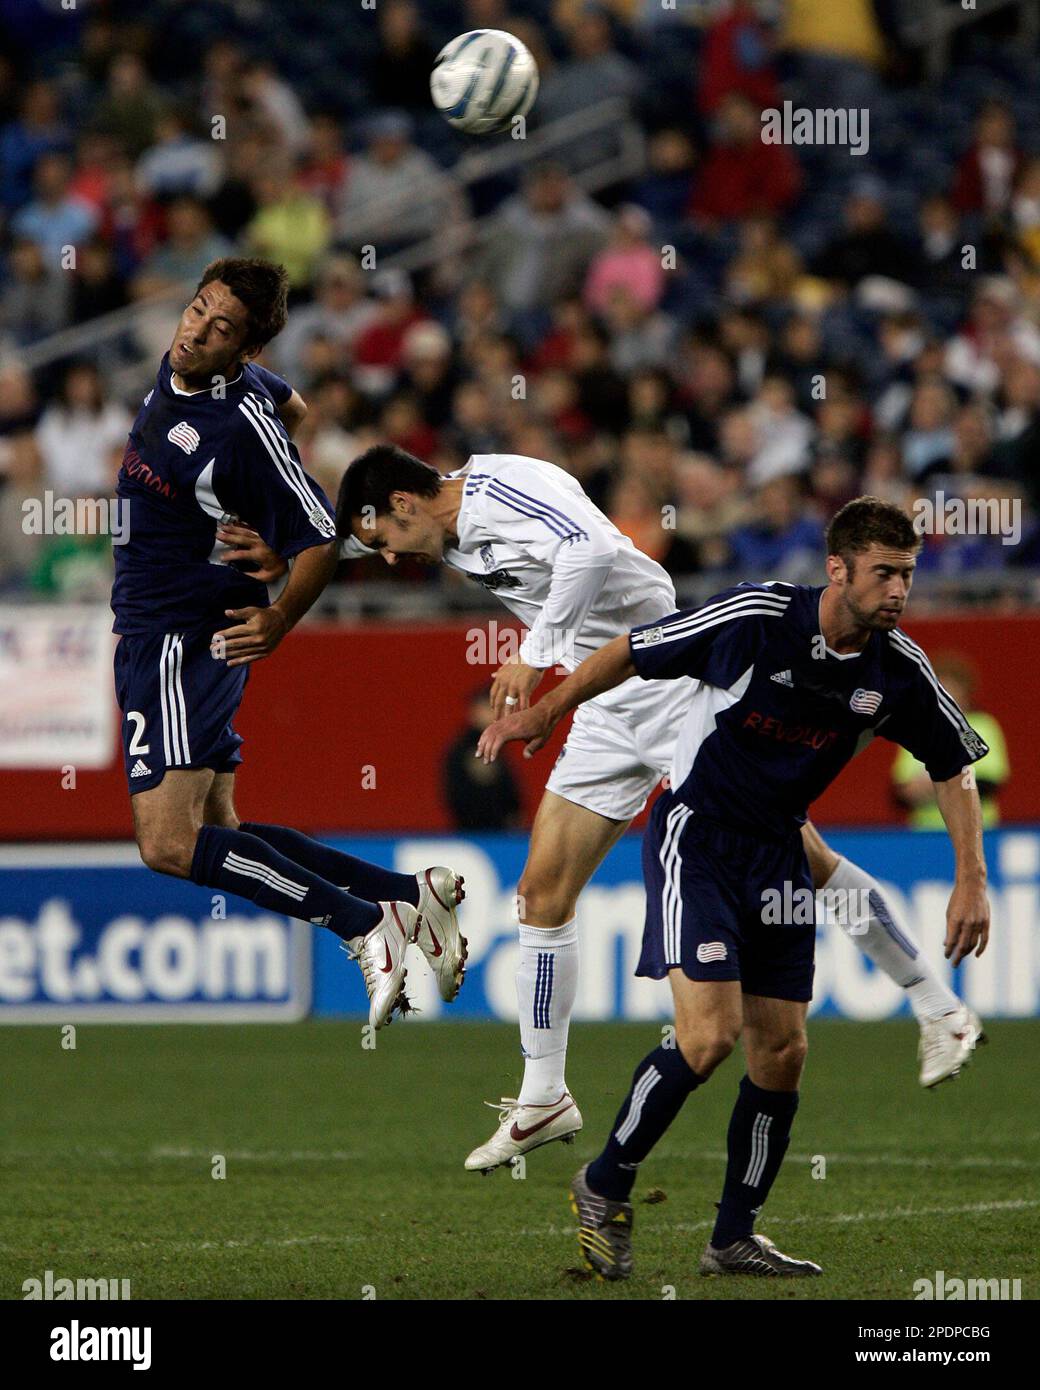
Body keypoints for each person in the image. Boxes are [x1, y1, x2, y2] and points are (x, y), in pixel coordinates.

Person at [255, 448, 986, 1173]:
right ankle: (543, 1096)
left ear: (405, 505)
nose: (386, 559)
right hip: (602, 702)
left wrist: (535, 654)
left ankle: (936, 1005)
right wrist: (276, 549)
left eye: (385, 540)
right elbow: (339, 536)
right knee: (541, 893)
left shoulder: (507, 486)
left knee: (801, 850)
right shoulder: (423, 523)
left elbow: (593, 546)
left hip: (668, 676)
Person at [477, 497, 990, 1279]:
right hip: (698, 840)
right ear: (837, 568)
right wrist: (546, 710)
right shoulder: (756, 618)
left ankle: (731, 1238)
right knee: (708, 1037)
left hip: (779, 854)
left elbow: (952, 764)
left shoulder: (898, 669)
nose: (898, 592)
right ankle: (604, 1181)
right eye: (884, 574)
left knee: (781, 1052)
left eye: (908, 575)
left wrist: (971, 881)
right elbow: (631, 649)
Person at [109, 257, 466, 1030]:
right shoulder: (224, 385)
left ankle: (365, 926)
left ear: (244, 348)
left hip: (179, 635)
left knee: (169, 845)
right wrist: (260, 541)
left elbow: (317, 537)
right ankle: (407, 898)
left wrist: (277, 615)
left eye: (221, 328)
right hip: (165, 626)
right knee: (219, 833)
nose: (196, 330)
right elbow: (295, 405)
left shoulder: (236, 426)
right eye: (198, 309)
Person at [893, 654, 1009, 828]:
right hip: (926, 834)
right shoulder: (917, 729)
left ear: (966, 692)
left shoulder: (983, 726)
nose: (946, 697)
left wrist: (938, 784)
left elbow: (988, 783)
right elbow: (901, 789)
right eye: (940, 689)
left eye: (952, 689)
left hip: (978, 829)